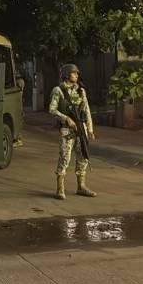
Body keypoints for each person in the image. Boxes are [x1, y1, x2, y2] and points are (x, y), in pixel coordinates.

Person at [48, 64, 96, 200]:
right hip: (67, 130)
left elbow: (86, 110)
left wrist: (90, 129)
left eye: (77, 73)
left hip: (81, 128)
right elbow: (52, 109)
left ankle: (81, 186)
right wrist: (66, 118)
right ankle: (60, 189)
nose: (76, 75)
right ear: (66, 75)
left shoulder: (81, 90)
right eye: (73, 73)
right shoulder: (58, 90)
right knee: (65, 157)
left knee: (83, 156)